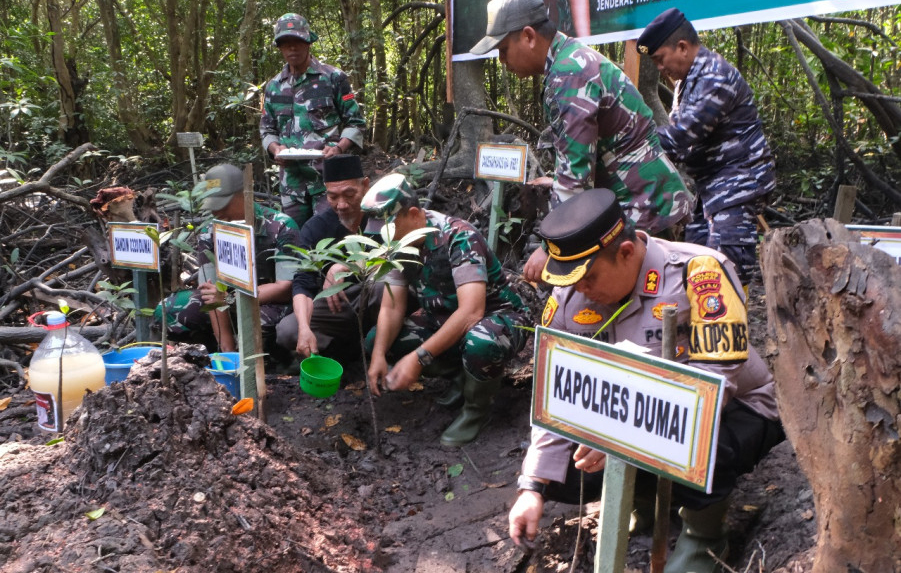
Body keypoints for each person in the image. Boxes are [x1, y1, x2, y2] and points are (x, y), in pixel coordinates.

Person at [508, 188, 784, 573]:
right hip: (628, 414)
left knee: (702, 448)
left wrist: (628, 438)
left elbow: (715, 385)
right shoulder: (570, 296)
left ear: (625, 252)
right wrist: (532, 486)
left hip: (735, 408)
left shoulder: (699, 272)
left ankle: (705, 535)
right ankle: (645, 498)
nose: (578, 290)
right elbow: (557, 392)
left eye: (587, 278)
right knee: (565, 473)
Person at [470, 0, 693, 284]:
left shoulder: (569, 75)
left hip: (644, 206)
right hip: (642, 198)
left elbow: (576, 177)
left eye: (503, 48)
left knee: (645, 307)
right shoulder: (568, 59)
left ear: (528, 36)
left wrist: (550, 247)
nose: (501, 60)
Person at [361, 173, 530, 447]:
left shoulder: (458, 237)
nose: (384, 236)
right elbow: (392, 305)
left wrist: (418, 358)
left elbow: (472, 312)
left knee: (480, 342)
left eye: (389, 226)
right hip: (444, 316)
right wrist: (379, 354)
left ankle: (477, 410)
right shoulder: (397, 245)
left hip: (499, 315)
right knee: (377, 340)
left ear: (414, 215)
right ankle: (459, 376)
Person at [637, 8, 776, 290]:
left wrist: (630, 137)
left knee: (726, 268)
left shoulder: (715, 76)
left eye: (660, 60)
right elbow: (676, 149)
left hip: (737, 184)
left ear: (682, 47)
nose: (660, 68)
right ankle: (703, 331)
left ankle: (733, 331)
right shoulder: (685, 83)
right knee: (697, 263)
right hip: (711, 187)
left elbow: (680, 135)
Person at [154, 164, 300, 355]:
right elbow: (210, 291)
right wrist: (226, 349)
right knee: (168, 310)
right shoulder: (210, 231)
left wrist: (230, 299)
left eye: (223, 204)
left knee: (257, 324)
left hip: (267, 301)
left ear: (244, 195)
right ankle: (211, 351)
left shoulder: (281, 226)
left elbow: (285, 288)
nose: (216, 212)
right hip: (223, 300)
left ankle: (274, 363)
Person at [259, 13, 367, 229]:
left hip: (328, 182)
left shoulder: (334, 78)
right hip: (292, 184)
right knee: (294, 240)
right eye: (286, 44)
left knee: (330, 239)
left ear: (308, 42)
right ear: (279, 48)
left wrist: (339, 147)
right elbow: (266, 129)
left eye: (297, 42)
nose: (292, 49)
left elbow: (356, 122)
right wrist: (275, 149)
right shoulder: (273, 87)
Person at [275, 154, 382, 367]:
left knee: (381, 284)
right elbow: (302, 283)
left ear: (365, 186)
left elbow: (398, 258)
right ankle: (341, 355)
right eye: (333, 197)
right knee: (289, 331)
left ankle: (380, 349)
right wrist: (304, 328)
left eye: (349, 194)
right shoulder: (316, 228)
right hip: (336, 307)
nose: (341, 204)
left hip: (379, 299)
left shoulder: (382, 218)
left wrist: (347, 266)